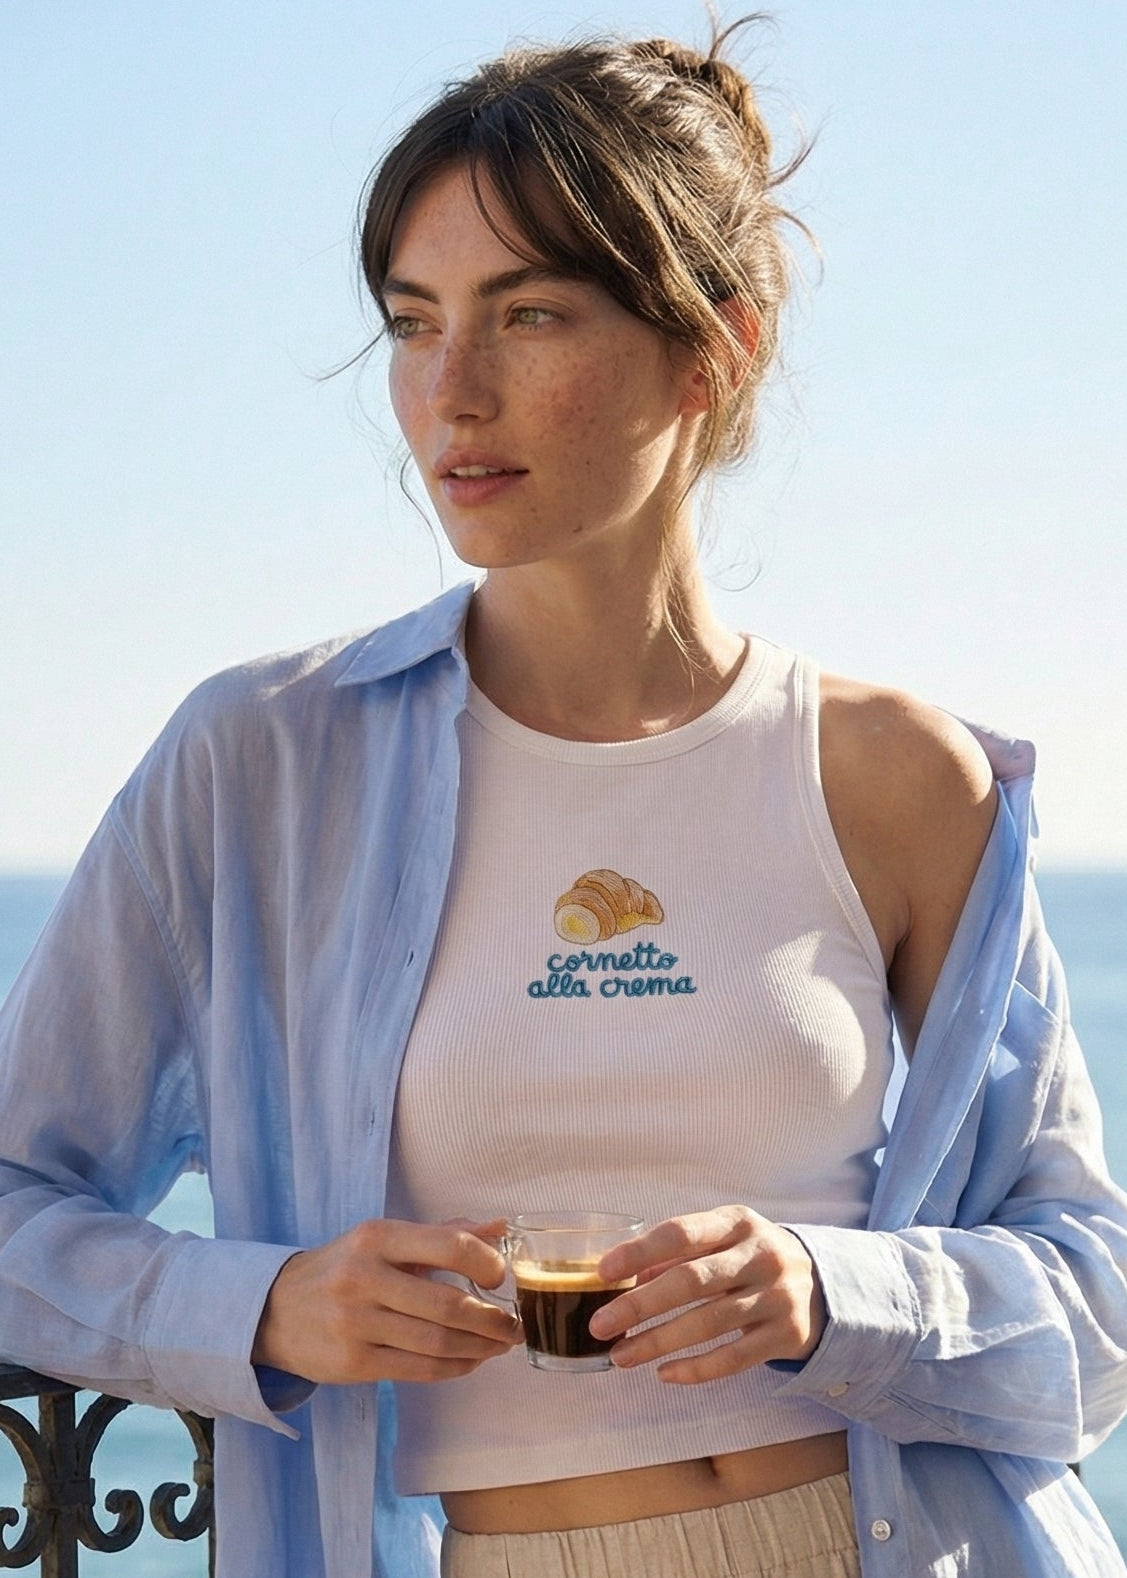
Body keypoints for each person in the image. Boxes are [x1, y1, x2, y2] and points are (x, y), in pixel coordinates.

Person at [2, 22, 1126, 1578]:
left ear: (713, 348)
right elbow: (12, 1207)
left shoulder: (902, 777)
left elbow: (1092, 1301)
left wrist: (827, 1286)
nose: (451, 392)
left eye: (526, 315)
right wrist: (262, 1304)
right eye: (413, 321)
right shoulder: (260, 762)